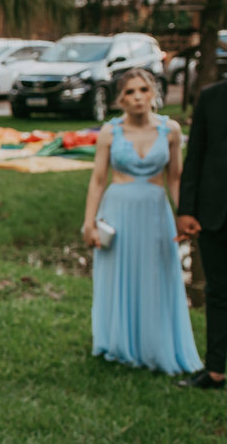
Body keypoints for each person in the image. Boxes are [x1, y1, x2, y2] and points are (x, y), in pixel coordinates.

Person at [82, 68, 201, 374]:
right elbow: (97, 180)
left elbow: (175, 177)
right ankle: (119, 343)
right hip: (118, 211)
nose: (138, 98)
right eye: (130, 92)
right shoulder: (109, 132)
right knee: (119, 275)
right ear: (121, 99)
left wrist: (183, 214)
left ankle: (155, 344)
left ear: (153, 94)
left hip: (155, 211)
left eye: (143, 90)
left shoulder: (170, 130)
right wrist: (89, 222)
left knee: (156, 276)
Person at [175, 30, 227, 392]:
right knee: (217, 293)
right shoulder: (211, 98)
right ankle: (214, 371)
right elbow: (195, 157)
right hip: (214, 214)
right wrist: (186, 210)